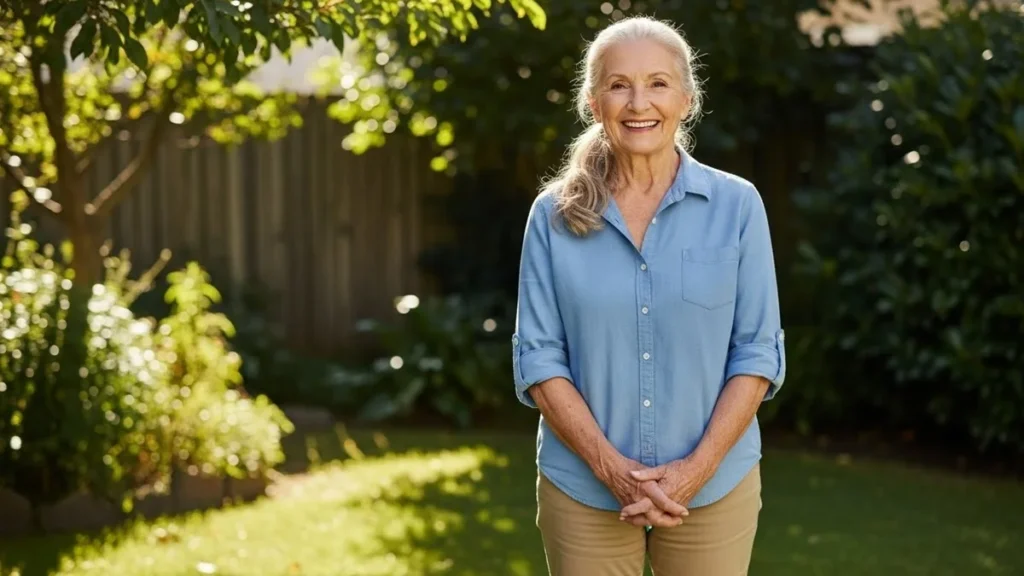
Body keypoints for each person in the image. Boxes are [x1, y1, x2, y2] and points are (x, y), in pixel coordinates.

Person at [511, 15, 787, 576]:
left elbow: (757, 352)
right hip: (583, 489)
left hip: (714, 488)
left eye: (658, 83)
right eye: (619, 85)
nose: (640, 103)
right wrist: (610, 469)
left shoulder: (737, 206)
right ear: (593, 102)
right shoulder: (552, 216)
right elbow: (539, 358)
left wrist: (695, 470)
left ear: (686, 99)